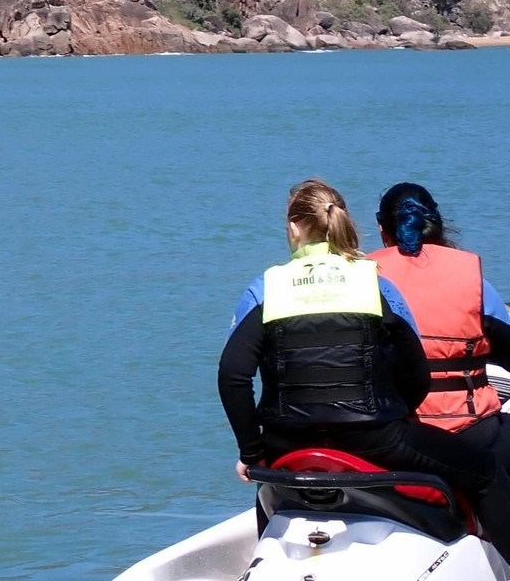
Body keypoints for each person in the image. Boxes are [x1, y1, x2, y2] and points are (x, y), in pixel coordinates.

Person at [218, 178, 510, 558]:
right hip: (374, 438)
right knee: (485, 472)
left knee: (268, 489)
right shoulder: (376, 284)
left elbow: (233, 376)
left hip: (286, 442)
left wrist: (252, 450)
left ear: (293, 227)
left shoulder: (266, 289)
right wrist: (396, 414)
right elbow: (415, 368)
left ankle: (268, 556)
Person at [368, 183, 510, 463]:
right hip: (470, 428)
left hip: (391, 429)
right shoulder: (474, 283)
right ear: (437, 225)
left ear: (383, 230)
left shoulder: (364, 281)